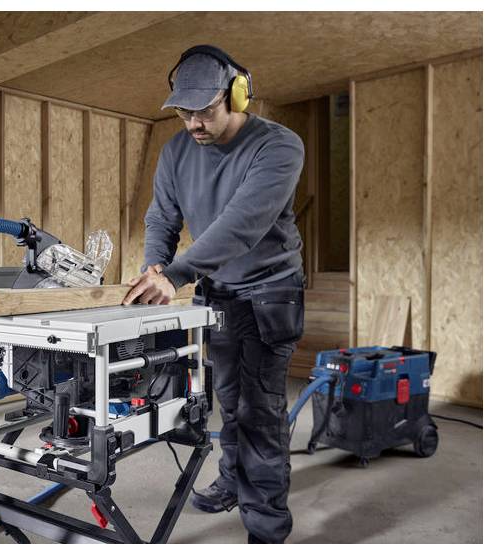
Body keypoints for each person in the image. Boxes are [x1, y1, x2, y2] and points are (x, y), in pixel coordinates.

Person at [122, 45, 305, 544]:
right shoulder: (177, 151)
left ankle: (267, 524)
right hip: (218, 295)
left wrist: (177, 274)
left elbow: (241, 226)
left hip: (269, 292)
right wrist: (154, 265)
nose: (194, 123)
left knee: (261, 407)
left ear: (239, 97)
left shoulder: (279, 146)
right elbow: (162, 217)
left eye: (206, 110)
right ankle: (232, 480)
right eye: (185, 112)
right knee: (228, 396)